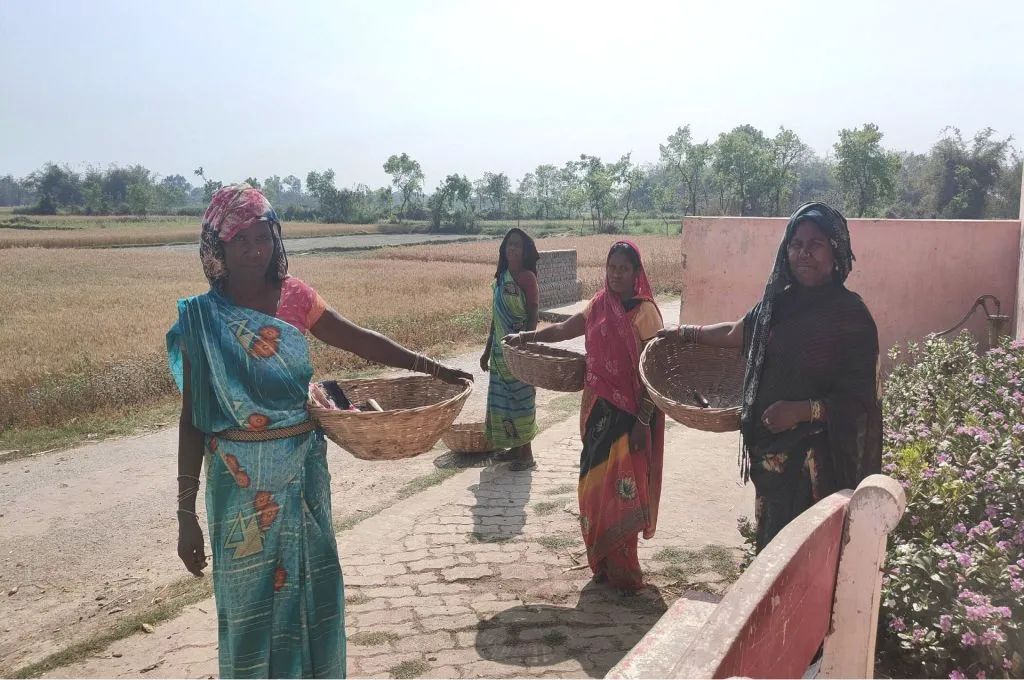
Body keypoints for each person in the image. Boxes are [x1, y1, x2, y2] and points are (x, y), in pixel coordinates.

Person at [168, 184, 472, 679]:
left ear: (277, 237)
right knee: (247, 610)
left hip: (301, 477)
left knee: (315, 589)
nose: (253, 248)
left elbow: (357, 339)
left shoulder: (295, 297)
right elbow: (192, 420)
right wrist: (185, 512)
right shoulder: (202, 319)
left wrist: (431, 367)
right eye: (239, 238)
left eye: (262, 235)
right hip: (237, 490)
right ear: (216, 247)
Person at [662, 202, 881, 554]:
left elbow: (861, 401)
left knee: (806, 560)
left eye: (815, 244)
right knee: (772, 553)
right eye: (796, 244)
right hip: (771, 461)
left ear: (835, 250)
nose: (803, 253)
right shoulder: (778, 304)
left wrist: (802, 411)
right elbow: (737, 332)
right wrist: (683, 333)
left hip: (817, 469)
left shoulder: (849, 314)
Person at [506, 241, 664, 590]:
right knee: (592, 488)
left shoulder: (646, 312)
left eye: (623, 268)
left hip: (630, 418)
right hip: (597, 414)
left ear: (636, 273)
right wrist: (528, 338)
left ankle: (624, 571)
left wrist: (642, 422)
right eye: (612, 267)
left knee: (623, 491)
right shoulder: (598, 304)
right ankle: (602, 564)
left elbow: (656, 371)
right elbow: (564, 330)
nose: (616, 274)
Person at [480, 228, 541, 470]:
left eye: (517, 244)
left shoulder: (527, 278)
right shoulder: (501, 278)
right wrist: (486, 351)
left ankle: (526, 454)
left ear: (525, 250)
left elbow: (534, 313)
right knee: (503, 402)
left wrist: (524, 344)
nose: (512, 248)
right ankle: (514, 447)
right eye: (509, 245)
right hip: (499, 352)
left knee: (521, 400)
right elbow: (495, 319)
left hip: (518, 351)